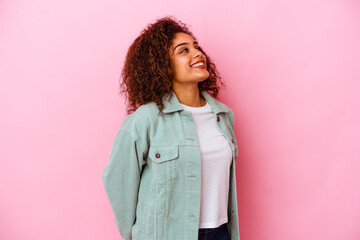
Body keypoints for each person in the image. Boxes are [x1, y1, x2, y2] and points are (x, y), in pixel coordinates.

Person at [102, 16, 240, 240]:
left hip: (220, 233)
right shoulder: (145, 120)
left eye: (196, 47)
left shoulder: (223, 116)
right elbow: (119, 185)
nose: (197, 53)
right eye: (183, 50)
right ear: (162, 65)